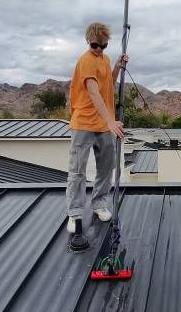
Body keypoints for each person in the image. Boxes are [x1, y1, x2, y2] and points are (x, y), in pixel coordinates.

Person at [65, 22, 128, 237]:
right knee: (78, 171)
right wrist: (111, 121)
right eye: (95, 45)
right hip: (83, 123)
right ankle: (74, 214)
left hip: (102, 124)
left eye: (104, 46)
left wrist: (117, 67)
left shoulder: (105, 59)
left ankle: (99, 203)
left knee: (105, 167)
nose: (99, 49)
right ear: (87, 41)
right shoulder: (85, 61)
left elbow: (106, 86)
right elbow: (93, 92)